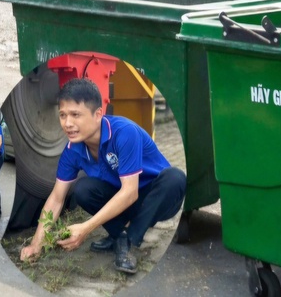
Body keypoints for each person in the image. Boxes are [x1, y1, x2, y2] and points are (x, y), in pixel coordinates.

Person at [19, 79, 187, 275]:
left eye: (75, 115)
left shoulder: (124, 133)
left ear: (98, 114)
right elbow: (56, 198)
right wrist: (36, 244)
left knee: (175, 177)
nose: (67, 124)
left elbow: (130, 192)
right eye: (62, 115)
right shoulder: (72, 150)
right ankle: (120, 236)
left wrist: (85, 228)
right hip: (122, 202)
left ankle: (128, 242)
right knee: (83, 189)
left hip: (155, 199)